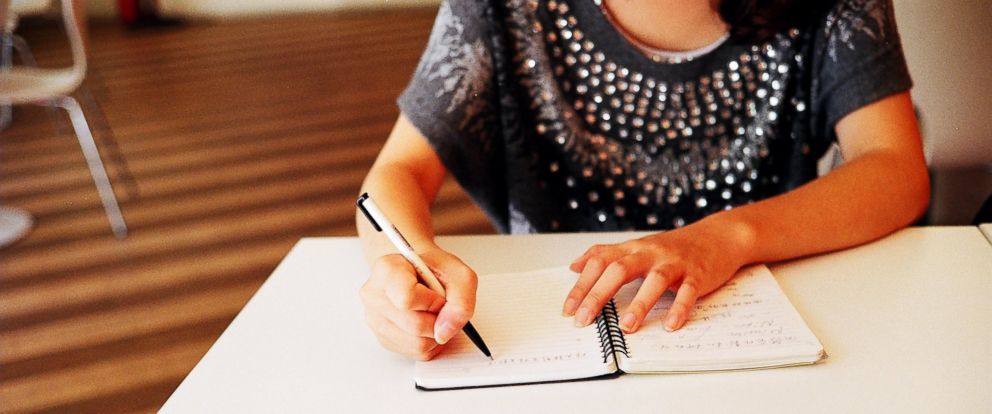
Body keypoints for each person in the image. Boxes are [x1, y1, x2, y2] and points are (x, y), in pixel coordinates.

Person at [356, 0, 929, 360]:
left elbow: (895, 167)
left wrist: (724, 238)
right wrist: (410, 264)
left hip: (762, 341)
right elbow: (397, 172)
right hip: (550, 350)